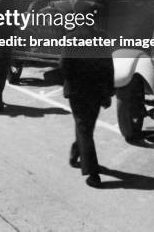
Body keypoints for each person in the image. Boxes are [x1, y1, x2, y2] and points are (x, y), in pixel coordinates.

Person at [60, 26, 114, 188]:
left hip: (77, 91)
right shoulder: (103, 36)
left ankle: (93, 173)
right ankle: (76, 152)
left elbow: (64, 66)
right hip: (96, 90)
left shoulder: (71, 38)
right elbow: (109, 67)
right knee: (86, 126)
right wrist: (109, 92)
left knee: (84, 128)